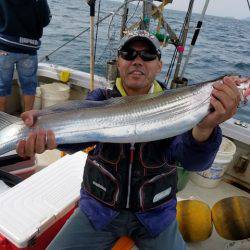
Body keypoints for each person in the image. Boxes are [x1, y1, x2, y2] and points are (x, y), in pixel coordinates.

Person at [16, 30, 241, 250]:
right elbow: (76, 137)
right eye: (129, 54)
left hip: (156, 217)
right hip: (99, 211)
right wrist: (44, 125)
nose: (137, 61)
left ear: (159, 65)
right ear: (119, 62)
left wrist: (205, 127)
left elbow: (194, 163)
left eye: (148, 55)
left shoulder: (180, 107)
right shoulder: (100, 99)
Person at [0, 0, 51, 112]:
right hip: (29, 49)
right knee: (29, 86)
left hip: (4, 47)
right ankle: (28, 120)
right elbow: (45, 20)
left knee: (1, 85)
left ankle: (1, 121)